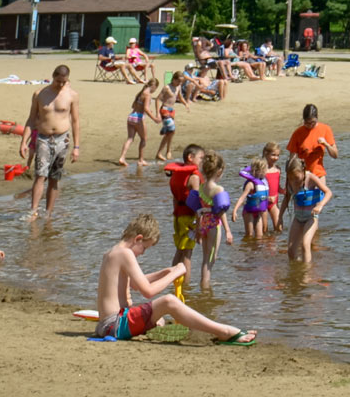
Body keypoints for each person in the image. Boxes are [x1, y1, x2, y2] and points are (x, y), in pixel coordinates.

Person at [95, 213, 255, 345]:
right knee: (168, 301)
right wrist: (175, 273)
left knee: (161, 320)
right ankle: (224, 331)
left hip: (108, 325)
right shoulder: (126, 254)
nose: (142, 253)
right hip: (115, 325)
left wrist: (165, 272)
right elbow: (147, 291)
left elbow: (135, 284)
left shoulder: (112, 253)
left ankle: (218, 330)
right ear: (138, 239)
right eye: (144, 247)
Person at [18, 65, 81, 220]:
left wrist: (77, 147)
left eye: (63, 82)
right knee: (40, 175)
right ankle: (33, 211)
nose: (60, 84)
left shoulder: (72, 95)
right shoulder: (40, 94)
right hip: (43, 138)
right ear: (53, 76)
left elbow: (75, 121)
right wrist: (24, 141)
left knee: (54, 177)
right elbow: (31, 119)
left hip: (62, 139)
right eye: (58, 81)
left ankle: (48, 213)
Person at [190, 151, 234, 291]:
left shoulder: (202, 188)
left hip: (203, 224)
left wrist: (197, 230)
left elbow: (199, 210)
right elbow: (220, 212)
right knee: (211, 259)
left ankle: (204, 286)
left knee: (205, 259)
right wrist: (228, 230)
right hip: (214, 226)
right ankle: (205, 286)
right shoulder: (218, 189)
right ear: (219, 171)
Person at [279, 155, 331, 262]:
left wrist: (320, 205)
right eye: (291, 178)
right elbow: (286, 198)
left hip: (311, 218)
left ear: (303, 171)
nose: (294, 181)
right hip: (298, 218)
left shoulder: (310, 178)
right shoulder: (290, 181)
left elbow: (328, 192)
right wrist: (280, 217)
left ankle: (306, 275)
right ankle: (298, 268)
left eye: (297, 178)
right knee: (291, 251)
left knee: (305, 244)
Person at [167, 144, 203, 293]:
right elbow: (197, 201)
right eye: (201, 158)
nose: (203, 161)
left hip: (178, 216)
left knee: (179, 251)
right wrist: (199, 223)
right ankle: (185, 289)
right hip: (189, 218)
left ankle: (171, 283)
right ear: (190, 158)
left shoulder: (176, 175)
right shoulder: (193, 177)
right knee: (187, 254)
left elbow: (175, 199)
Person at [286, 104, 338, 181]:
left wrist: (326, 144)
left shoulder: (325, 129)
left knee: (324, 192)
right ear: (304, 120)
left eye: (313, 122)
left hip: (319, 174)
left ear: (317, 118)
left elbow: (335, 155)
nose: (310, 125)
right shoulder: (297, 133)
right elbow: (292, 158)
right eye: (307, 123)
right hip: (303, 175)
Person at [116, 78, 159, 168]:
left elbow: (133, 106)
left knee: (130, 138)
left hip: (131, 116)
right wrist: (154, 118)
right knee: (143, 139)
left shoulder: (140, 93)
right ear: (154, 86)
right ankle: (141, 160)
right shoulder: (148, 95)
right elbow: (146, 109)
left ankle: (122, 157)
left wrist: (143, 109)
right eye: (156, 88)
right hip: (138, 118)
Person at [233, 154, 270, 238]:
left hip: (258, 212)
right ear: (258, 171)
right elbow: (242, 198)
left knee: (259, 236)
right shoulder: (251, 184)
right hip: (248, 212)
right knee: (249, 235)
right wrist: (235, 210)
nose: (266, 172)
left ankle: (256, 251)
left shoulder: (263, 182)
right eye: (264, 170)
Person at [153, 73, 187, 162]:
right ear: (174, 79)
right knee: (171, 130)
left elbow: (180, 97)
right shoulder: (167, 88)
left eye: (181, 81)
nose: (180, 83)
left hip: (172, 110)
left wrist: (186, 104)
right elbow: (158, 99)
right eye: (178, 81)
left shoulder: (178, 87)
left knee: (171, 132)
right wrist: (157, 113)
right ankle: (162, 152)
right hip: (164, 109)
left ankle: (167, 151)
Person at [261, 142, 285, 234]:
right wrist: (267, 197)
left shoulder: (278, 169)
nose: (276, 158)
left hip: (274, 203)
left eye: (278, 155)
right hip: (263, 201)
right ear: (266, 153)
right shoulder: (262, 169)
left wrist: (283, 191)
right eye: (273, 155)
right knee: (264, 229)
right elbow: (256, 188)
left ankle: (275, 246)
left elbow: (277, 187)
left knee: (279, 228)